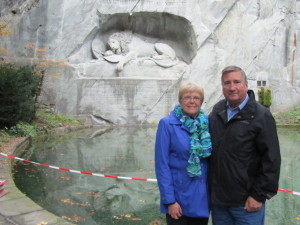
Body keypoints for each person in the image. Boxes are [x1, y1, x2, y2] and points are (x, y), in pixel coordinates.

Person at [208, 65, 281, 225]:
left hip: (247, 203)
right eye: (227, 83)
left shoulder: (261, 115)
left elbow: (272, 160)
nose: (232, 87)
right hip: (220, 202)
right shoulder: (218, 110)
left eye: (236, 82)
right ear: (222, 86)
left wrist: (258, 195)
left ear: (246, 85)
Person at [155, 82, 212, 225]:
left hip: (202, 198)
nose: (192, 101)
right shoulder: (167, 124)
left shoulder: (207, 124)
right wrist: (170, 201)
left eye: (196, 98)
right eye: (187, 97)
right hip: (178, 200)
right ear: (180, 100)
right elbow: (162, 166)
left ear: (201, 101)